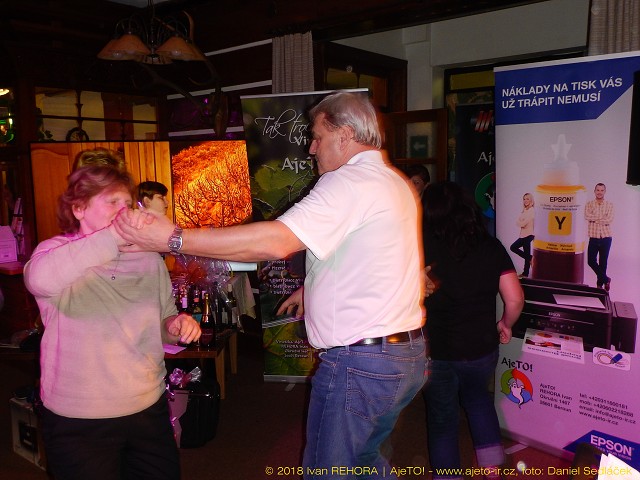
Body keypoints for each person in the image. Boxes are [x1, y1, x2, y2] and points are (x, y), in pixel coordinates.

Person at [114, 91, 428, 479]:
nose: (311, 148)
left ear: (345, 134)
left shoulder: (349, 181)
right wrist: (313, 288)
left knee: (329, 472)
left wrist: (173, 238)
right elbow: (376, 258)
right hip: (401, 355)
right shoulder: (390, 180)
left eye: (317, 137)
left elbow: (277, 242)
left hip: (362, 364)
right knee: (363, 463)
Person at [23, 164, 201, 480]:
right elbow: (38, 280)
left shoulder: (148, 259)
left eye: (127, 203)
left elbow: (163, 320)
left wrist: (175, 326)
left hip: (147, 408)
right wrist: (114, 235)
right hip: (79, 418)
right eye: (112, 202)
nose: (123, 211)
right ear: (78, 209)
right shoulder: (55, 252)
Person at [420, 181, 524, 480]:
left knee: (442, 418)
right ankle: (492, 471)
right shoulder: (490, 246)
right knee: (479, 401)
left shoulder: (419, 249)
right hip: (480, 346)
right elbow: (515, 299)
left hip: (436, 349)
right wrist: (505, 324)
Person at [585, 183, 614, 291]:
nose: (599, 192)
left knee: (603, 262)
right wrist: (602, 217)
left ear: (604, 192)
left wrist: (595, 218)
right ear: (594, 191)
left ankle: (599, 286)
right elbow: (587, 216)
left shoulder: (609, 205)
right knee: (591, 261)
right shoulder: (589, 204)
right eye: (598, 190)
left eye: (602, 190)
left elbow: (609, 219)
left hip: (606, 237)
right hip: (593, 237)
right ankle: (606, 279)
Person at [509, 192, 535, 277]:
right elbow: (517, 222)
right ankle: (529, 262)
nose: (525, 201)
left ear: (531, 200)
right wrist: (521, 222)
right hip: (523, 235)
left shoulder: (532, 210)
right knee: (514, 248)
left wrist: (521, 222)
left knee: (515, 248)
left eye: (527, 199)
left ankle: (526, 271)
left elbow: (522, 223)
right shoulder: (524, 210)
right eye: (524, 199)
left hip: (529, 234)